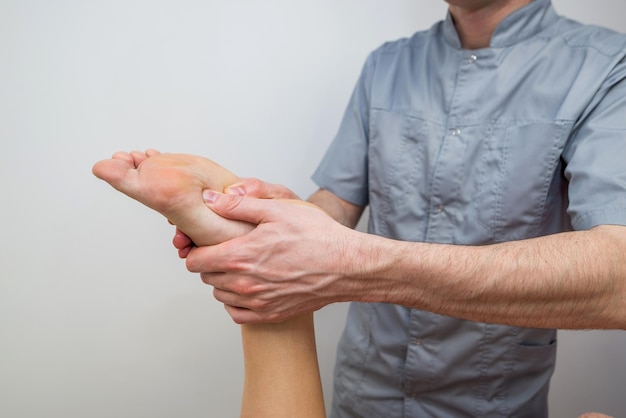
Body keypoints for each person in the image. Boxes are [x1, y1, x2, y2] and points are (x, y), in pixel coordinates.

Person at [172, 0, 626, 417]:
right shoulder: (387, 65)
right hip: (363, 393)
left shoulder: (605, 66)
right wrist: (264, 226)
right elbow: (335, 206)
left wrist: (353, 264)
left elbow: (618, 275)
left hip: (489, 404)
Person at [92, 150, 326, 418]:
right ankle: (269, 248)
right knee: (279, 278)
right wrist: (309, 229)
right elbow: (341, 198)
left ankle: (262, 249)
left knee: (276, 283)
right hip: (365, 382)